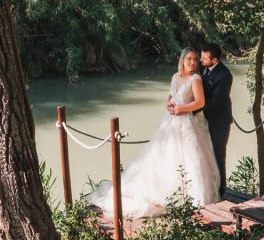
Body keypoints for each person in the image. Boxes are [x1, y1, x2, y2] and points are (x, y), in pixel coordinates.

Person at [90, 47, 220, 219]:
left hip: (187, 123)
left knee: (188, 158)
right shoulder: (176, 76)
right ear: (182, 60)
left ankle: (188, 196)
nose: (192, 62)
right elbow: (171, 96)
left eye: (195, 59)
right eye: (189, 58)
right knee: (163, 156)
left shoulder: (195, 79)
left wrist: (180, 108)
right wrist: (168, 104)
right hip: (171, 122)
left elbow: (200, 102)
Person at [199, 43, 233, 198]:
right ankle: (207, 187)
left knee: (218, 154)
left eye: (204, 58)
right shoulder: (202, 68)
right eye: (201, 57)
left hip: (219, 122)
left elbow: (216, 101)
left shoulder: (225, 76)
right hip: (202, 120)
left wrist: (193, 109)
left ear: (214, 60)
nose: (200, 60)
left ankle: (221, 190)